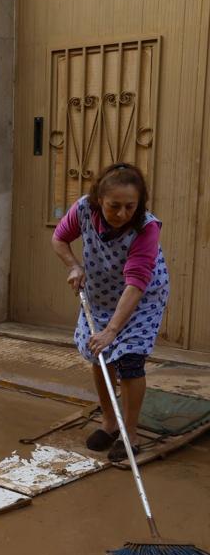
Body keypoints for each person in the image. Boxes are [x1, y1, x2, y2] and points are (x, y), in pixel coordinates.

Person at [51, 163, 169, 462]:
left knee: (129, 359)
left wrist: (113, 330)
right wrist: (74, 265)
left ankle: (130, 433)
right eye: (114, 206)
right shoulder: (83, 210)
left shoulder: (146, 227)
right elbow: (59, 239)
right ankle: (109, 422)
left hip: (141, 297)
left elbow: (137, 282)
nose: (121, 214)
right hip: (101, 292)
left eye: (130, 206)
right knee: (99, 354)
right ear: (99, 200)